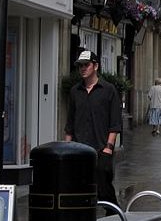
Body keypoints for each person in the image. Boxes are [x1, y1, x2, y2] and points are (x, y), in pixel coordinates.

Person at [64, 50, 122, 210]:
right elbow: (70, 123)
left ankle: (115, 216)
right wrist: (66, 148)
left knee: (104, 191)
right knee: (79, 190)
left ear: (95, 66)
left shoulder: (108, 90)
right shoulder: (75, 91)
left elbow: (115, 122)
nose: (83, 68)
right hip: (78, 150)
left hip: (101, 149)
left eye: (86, 65)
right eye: (80, 66)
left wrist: (108, 148)